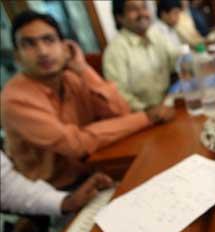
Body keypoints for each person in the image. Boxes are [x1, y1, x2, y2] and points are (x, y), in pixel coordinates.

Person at [1, 10, 174, 189]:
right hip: (57, 194)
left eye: (49, 40)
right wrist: (146, 117)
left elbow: (120, 111)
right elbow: (75, 144)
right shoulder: (14, 99)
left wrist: (83, 69)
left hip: (96, 170)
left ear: (65, 46)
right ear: (17, 57)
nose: (43, 52)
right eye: (29, 44)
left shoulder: (72, 77)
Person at [104, 0, 180, 112]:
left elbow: (176, 62)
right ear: (120, 17)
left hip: (171, 105)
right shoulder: (115, 51)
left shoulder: (156, 35)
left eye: (144, 7)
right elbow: (118, 95)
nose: (142, 13)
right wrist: (148, 111)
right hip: (146, 116)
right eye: (133, 9)